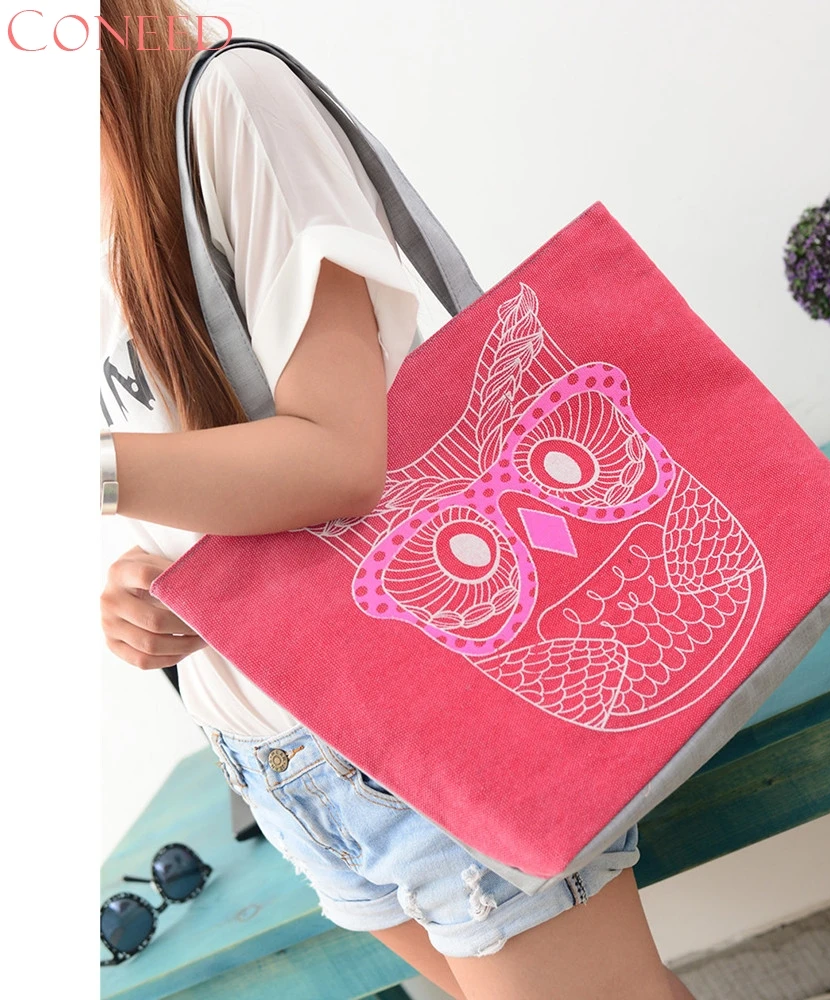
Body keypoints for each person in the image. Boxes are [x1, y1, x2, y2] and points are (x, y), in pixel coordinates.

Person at [99, 3, 696, 997]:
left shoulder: (228, 102)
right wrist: (141, 583)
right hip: (268, 754)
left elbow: (338, 457)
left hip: (406, 702)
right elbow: (180, 476)